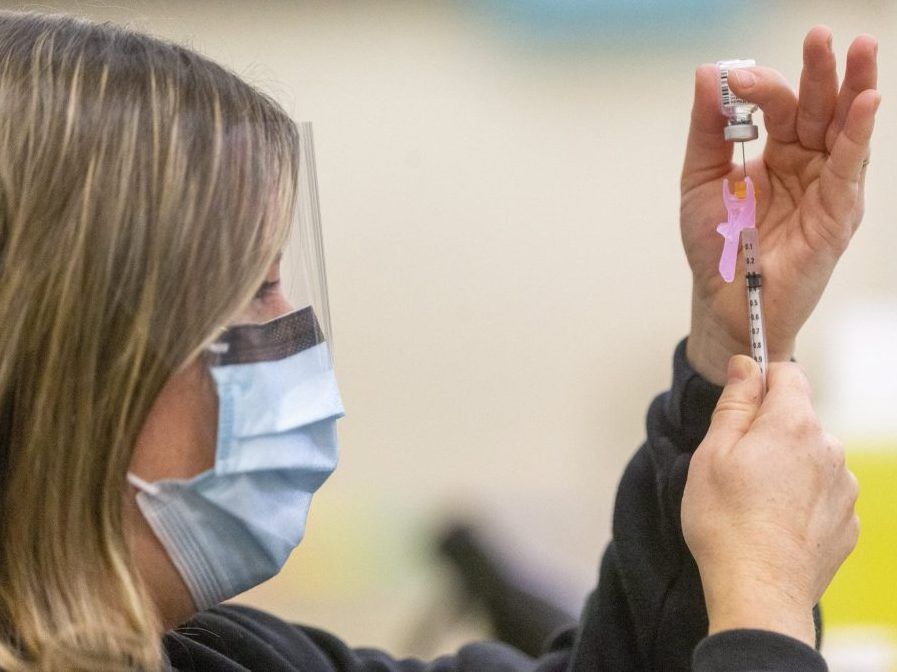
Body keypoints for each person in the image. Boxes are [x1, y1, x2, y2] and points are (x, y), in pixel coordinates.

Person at [0, 11, 877, 672]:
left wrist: (727, 346)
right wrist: (761, 600)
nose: (293, 339)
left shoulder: (210, 653)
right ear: (81, 360)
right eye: (254, 290)